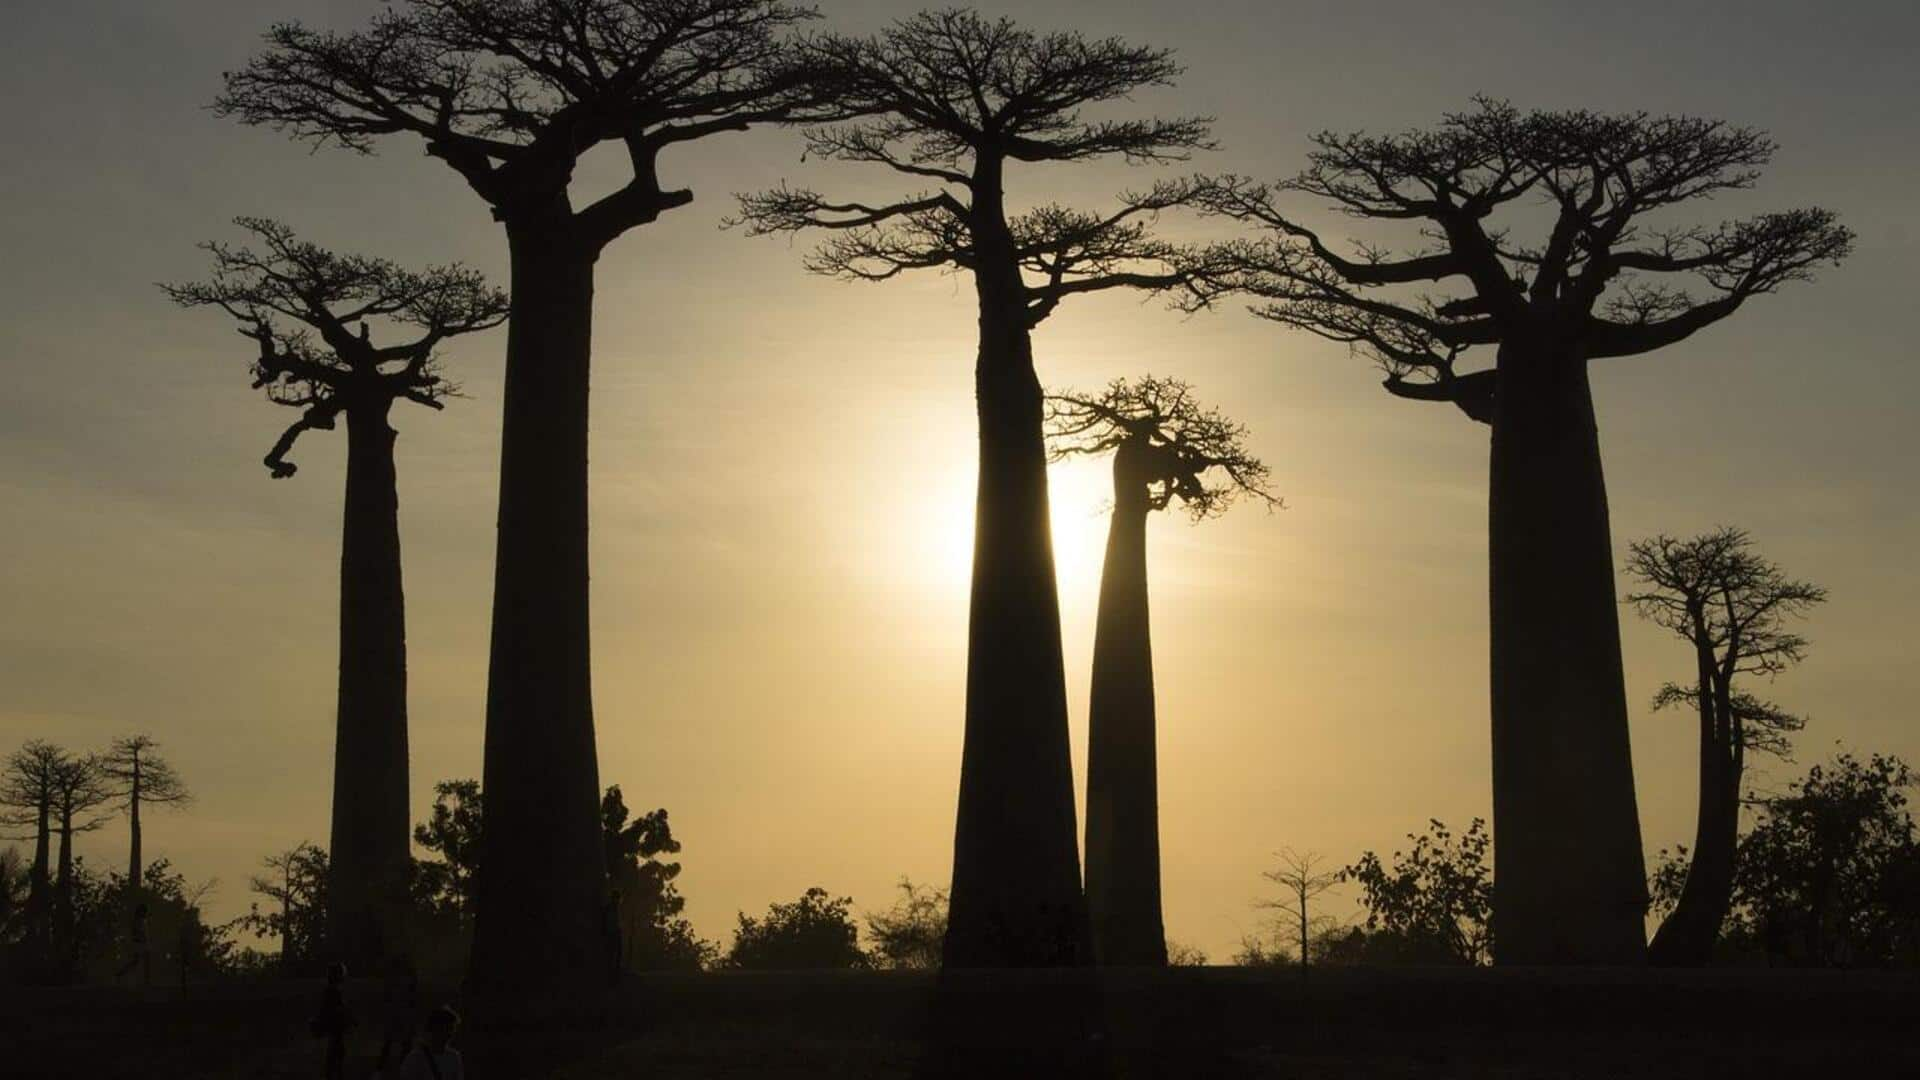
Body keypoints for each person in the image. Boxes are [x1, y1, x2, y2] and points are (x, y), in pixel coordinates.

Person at [398, 1005, 464, 1080]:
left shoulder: (454, 1058)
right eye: (445, 1029)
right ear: (433, 1029)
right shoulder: (415, 1059)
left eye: (451, 1029)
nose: (449, 1034)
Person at [313, 961, 353, 1080]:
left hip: (334, 1030)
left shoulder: (331, 991)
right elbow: (337, 1011)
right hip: (335, 1029)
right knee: (336, 1056)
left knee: (335, 1056)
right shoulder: (334, 992)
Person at [114, 902, 151, 987]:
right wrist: (141, 939)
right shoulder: (137, 920)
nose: (146, 913)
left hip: (140, 943)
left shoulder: (142, 920)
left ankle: (120, 974)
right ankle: (146, 981)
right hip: (138, 943)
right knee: (143, 961)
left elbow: (142, 932)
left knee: (137, 962)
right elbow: (136, 932)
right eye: (145, 911)